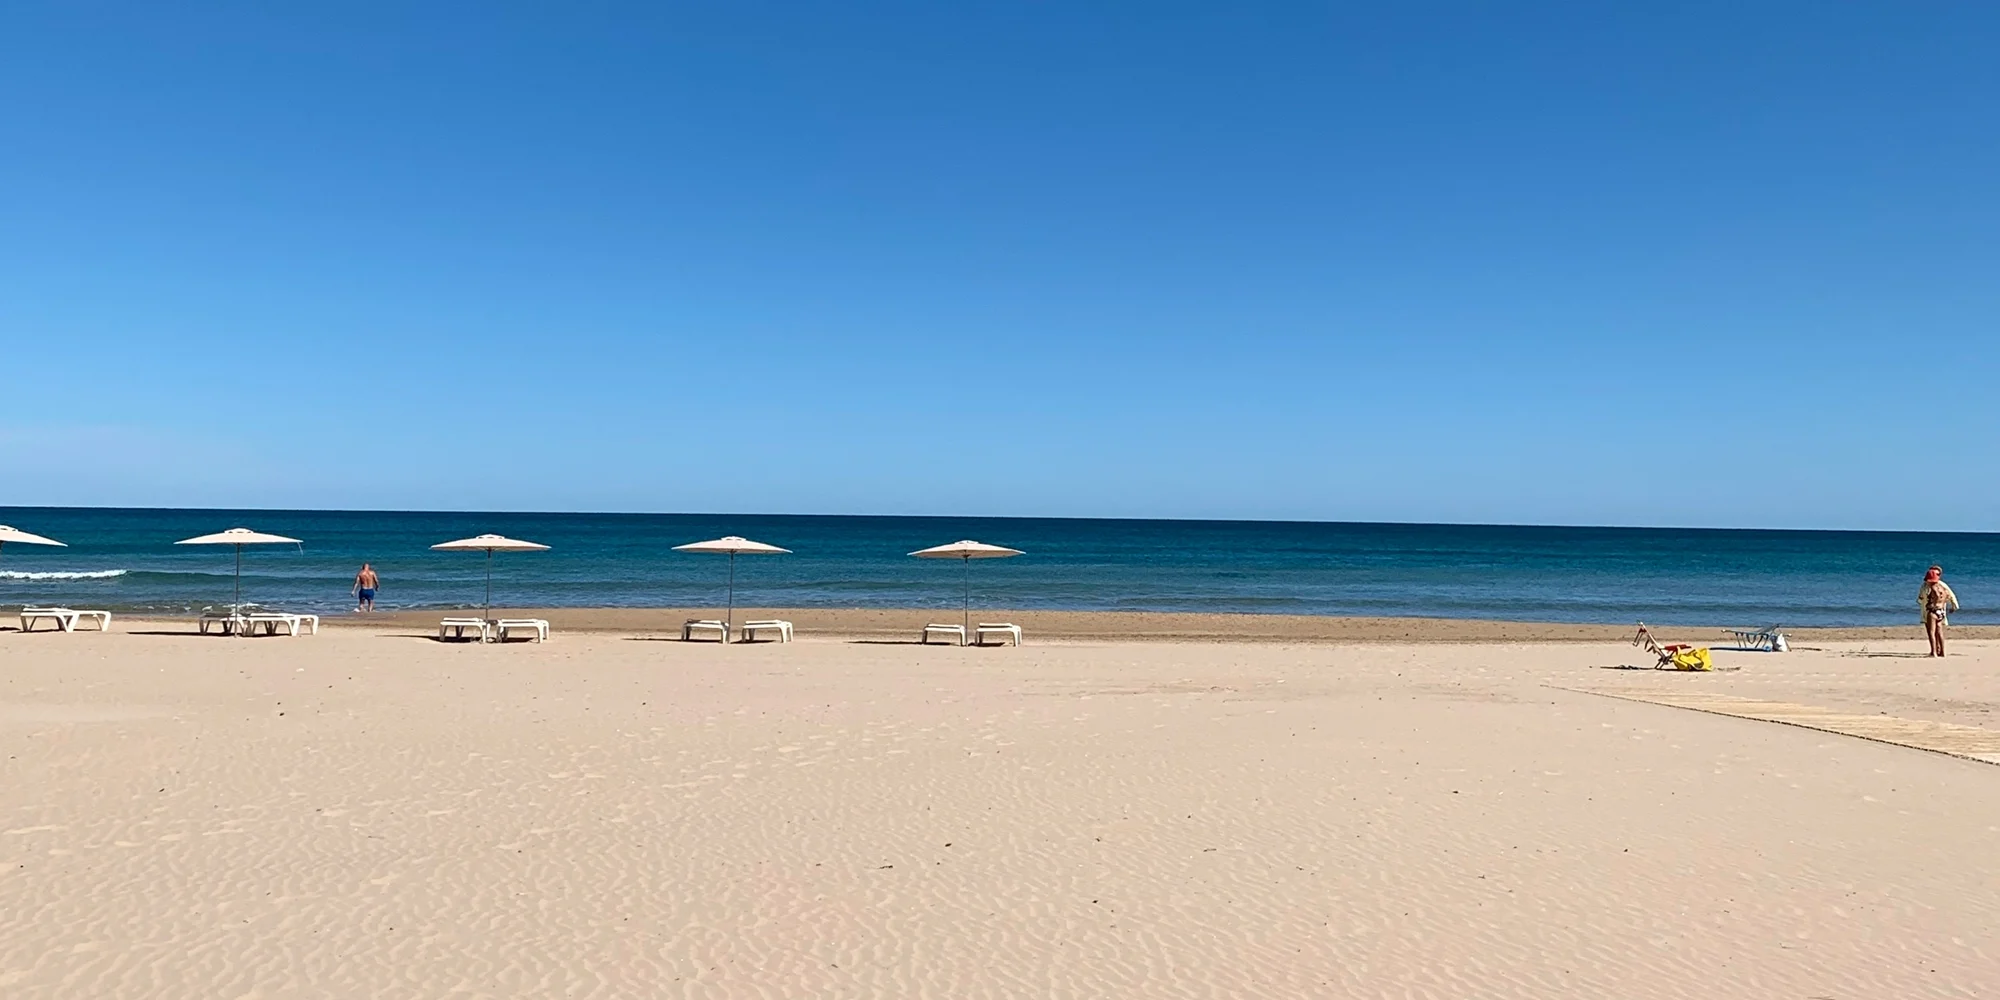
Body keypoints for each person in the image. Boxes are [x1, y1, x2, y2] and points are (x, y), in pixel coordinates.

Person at [1918, 565, 1958, 658]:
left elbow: (1925, 598)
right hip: (1941, 611)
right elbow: (1950, 596)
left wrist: (1930, 603)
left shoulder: (1932, 588)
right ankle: (1942, 652)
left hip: (1933, 611)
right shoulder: (1943, 588)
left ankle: (1934, 652)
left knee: (1931, 632)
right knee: (1939, 632)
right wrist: (1953, 606)